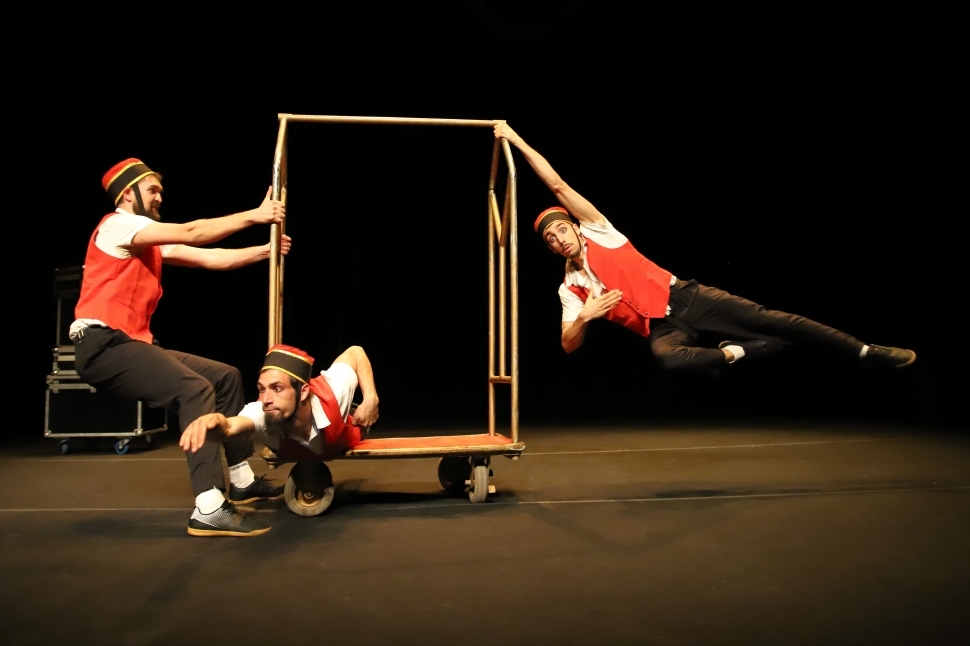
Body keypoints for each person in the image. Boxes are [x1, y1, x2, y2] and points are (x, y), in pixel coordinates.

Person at [494, 123, 916, 374]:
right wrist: (585, 317)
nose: (559, 238)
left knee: (775, 320)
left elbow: (557, 185)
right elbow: (568, 344)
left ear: (573, 227)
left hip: (686, 297)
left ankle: (864, 350)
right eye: (551, 240)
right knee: (668, 359)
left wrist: (515, 139)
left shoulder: (599, 231)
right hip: (662, 328)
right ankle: (738, 352)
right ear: (552, 250)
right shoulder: (571, 288)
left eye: (561, 230)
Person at [71, 158, 293, 538]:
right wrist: (255, 215)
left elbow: (209, 257)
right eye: (152, 190)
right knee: (194, 389)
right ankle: (209, 507)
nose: (160, 197)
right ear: (128, 194)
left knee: (224, 377)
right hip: (102, 344)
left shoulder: (148, 242)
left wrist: (265, 251)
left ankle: (241, 479)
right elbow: (192, 231)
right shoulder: (117, 225)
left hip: (129, 342)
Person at [178, 345, 379, 465]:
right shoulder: (263, 412)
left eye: (278, 388)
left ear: (303, 392)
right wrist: (215, 424)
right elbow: (230, 427)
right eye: (262, 389)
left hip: (346, 427)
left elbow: (355, 352)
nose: (266, 399)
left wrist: (370, 399)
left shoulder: (334, 391)